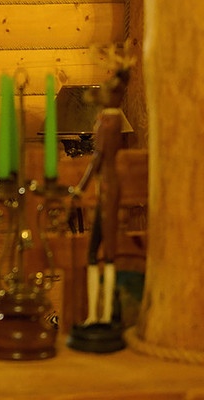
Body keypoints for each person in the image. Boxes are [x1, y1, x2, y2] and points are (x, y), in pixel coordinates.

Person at [73, 65, 131, 327]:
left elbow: (98, 157)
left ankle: (105, 315)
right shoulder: (107, 119)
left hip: (107, 189)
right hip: (104, 189)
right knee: (93, 252)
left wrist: (80, 187)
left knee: (107, 254)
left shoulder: (110, 122)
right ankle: (94, 315)